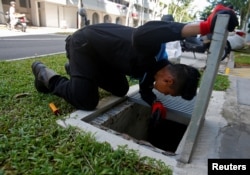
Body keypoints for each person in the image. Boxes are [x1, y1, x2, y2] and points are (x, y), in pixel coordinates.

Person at [31, 4, 238, 118]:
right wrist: (203, 27)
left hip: (100, 59)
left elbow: (146, 89)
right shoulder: (153, 50)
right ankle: (44, 73)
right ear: (169, 81)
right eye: (167, 93)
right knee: (86, 101)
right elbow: (145, 32)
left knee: (121, 88)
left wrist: (155, 103)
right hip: (84, 45)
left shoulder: (154, 70)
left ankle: (76, 71)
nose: (163, 93)